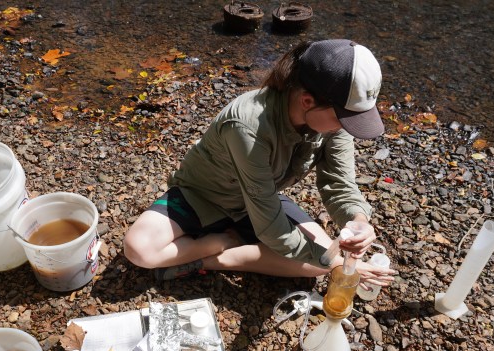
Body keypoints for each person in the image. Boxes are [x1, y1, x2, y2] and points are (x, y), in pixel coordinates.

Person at [123, 39, 397, 289]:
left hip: (255, 202)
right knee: (138, 249)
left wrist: (357, 220)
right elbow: (269, 222)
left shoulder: (333, 124)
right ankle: (221, 241)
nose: (345, 128)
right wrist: (337, 262)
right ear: (307, 101)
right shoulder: (247, 125)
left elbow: (339, 183)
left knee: (319, 263)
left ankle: (213, 260)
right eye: (343, 119)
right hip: (203, 196)